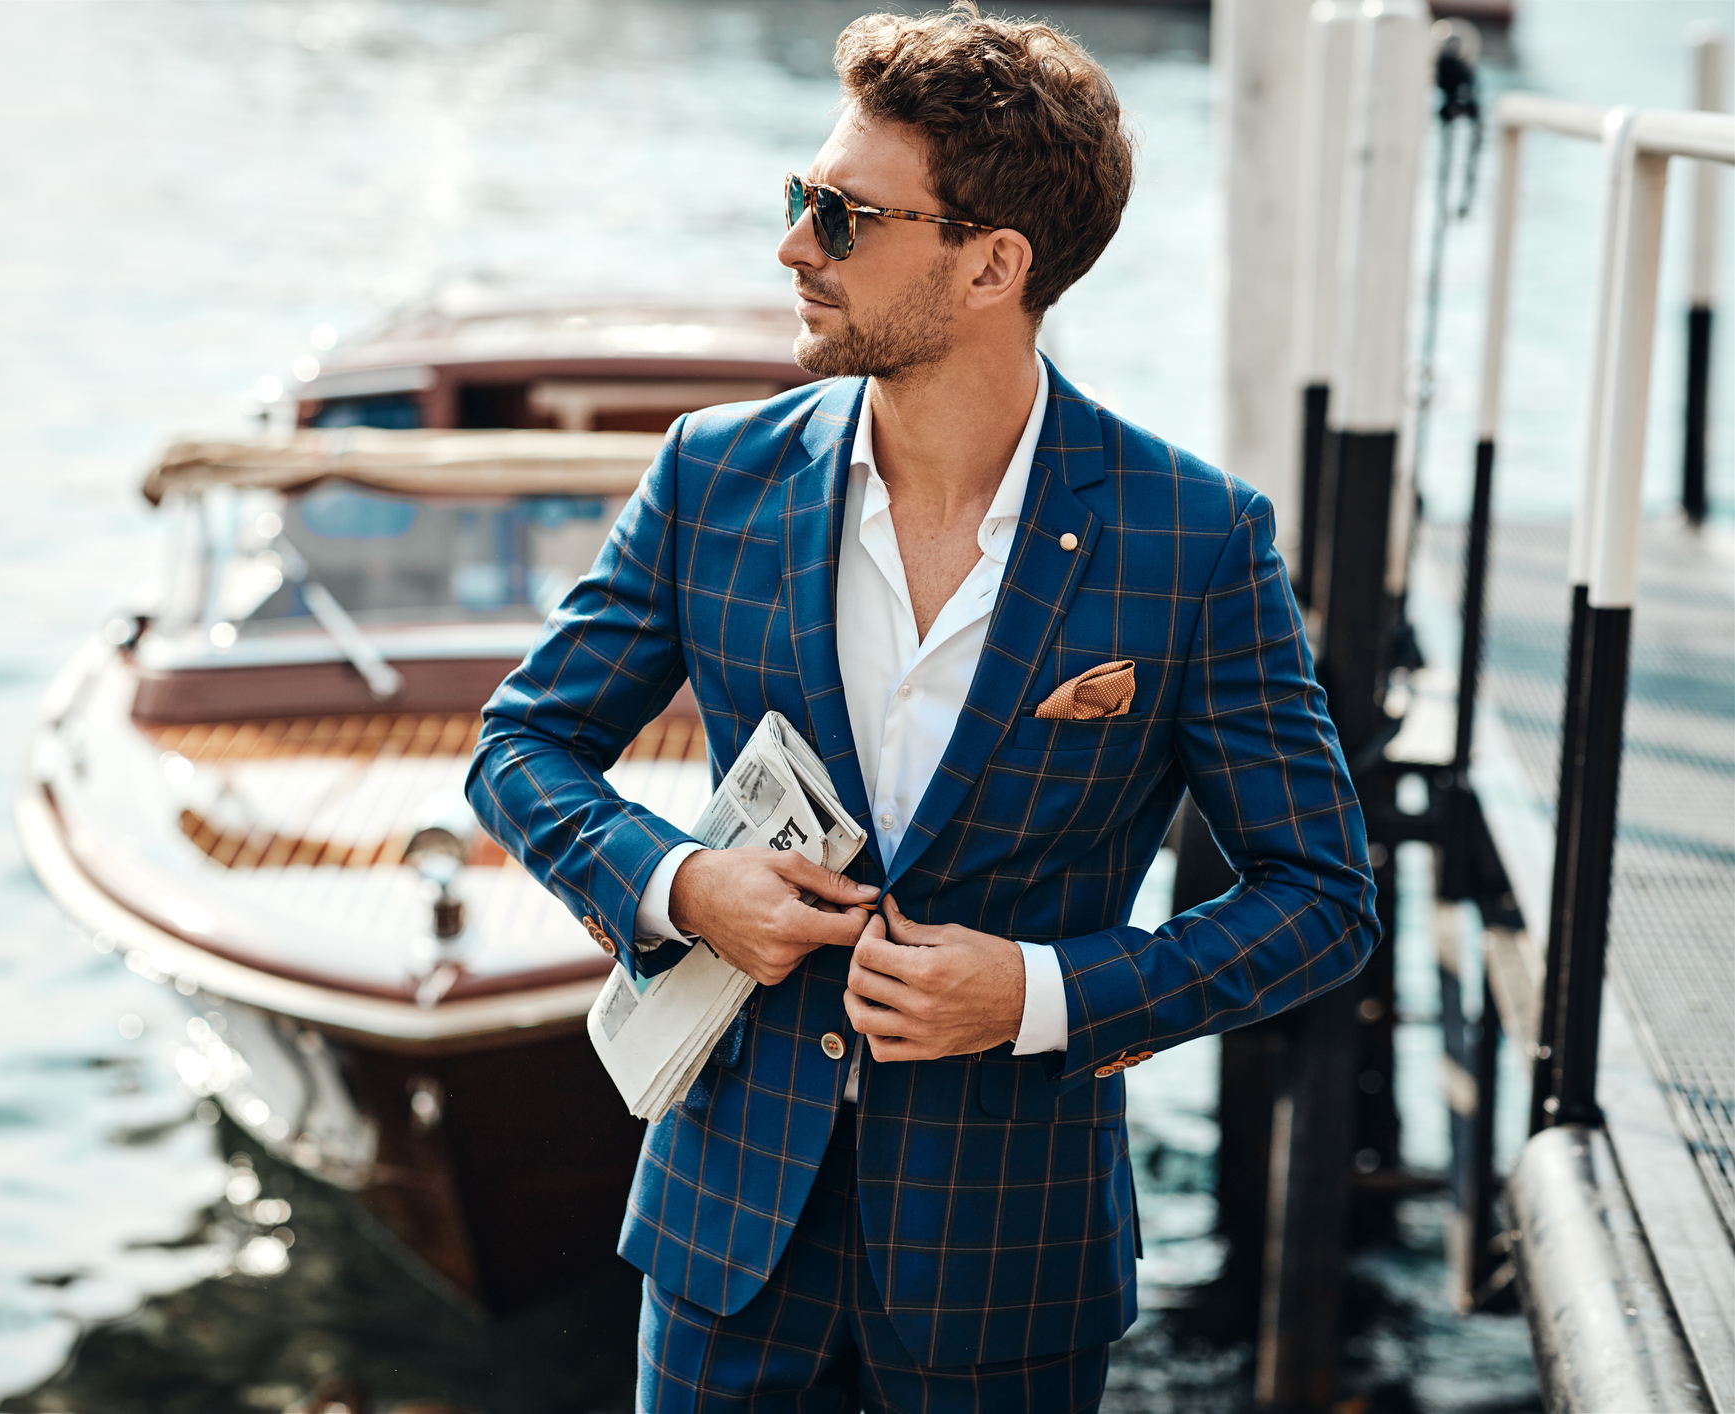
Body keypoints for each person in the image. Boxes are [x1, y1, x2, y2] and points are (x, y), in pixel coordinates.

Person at [468, 6, 1379, 1409]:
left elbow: (1321, 895)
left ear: (990, 266)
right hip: (725, 1248)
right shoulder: (714, 474)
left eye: (841, 216)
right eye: (798, 199)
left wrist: (1041, 992)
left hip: (1008, 1269)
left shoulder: (1192, 538)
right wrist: (679, 882)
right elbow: (520, 745)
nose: (792, 246)